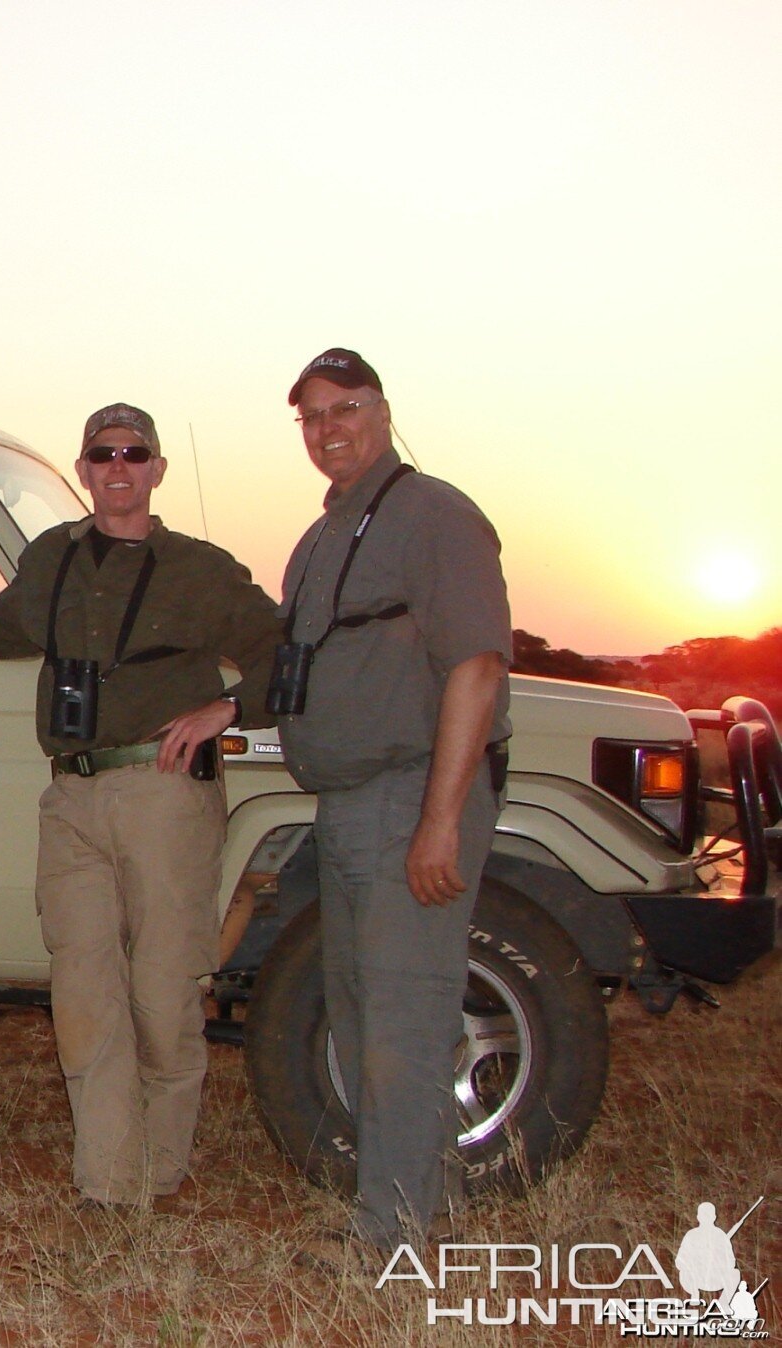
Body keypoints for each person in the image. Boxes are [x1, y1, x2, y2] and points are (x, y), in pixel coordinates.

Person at [0, 403, 281, 1209]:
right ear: (83, 470)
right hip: (71, 793)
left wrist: (227, 708)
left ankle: (162, 1168)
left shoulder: (200, 568)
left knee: (160, 990)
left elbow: (278, 649)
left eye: (134, 454)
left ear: (155, 470)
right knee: (82, 992)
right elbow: (0, 628)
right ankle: (108, 1185)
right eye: (103, 454)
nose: (119, 467)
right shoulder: (52, 556)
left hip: (161, 790)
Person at [275, 348, 511, 1253]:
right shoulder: (328, 532)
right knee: (366, 1014)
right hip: (346, 804)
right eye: (311, 416)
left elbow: (477, 665)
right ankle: (414, 1209)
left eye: (345, 409)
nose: (328, 428)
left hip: (410, 795)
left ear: (381, 410)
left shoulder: (433, 514)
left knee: (402, 1022)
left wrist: (440, 820)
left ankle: (390, 1239)